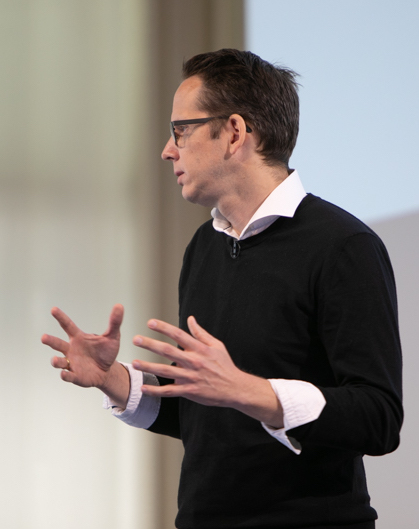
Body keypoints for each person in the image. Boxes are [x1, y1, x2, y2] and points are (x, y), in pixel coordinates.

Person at [42, 49, 403, 529]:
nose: (168, 150)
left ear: (234, 132)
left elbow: (378, 418)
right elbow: (205, 415)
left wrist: (249, 391)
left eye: (181, 130)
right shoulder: (203, 247)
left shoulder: (343, 245)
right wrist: (115, 381)